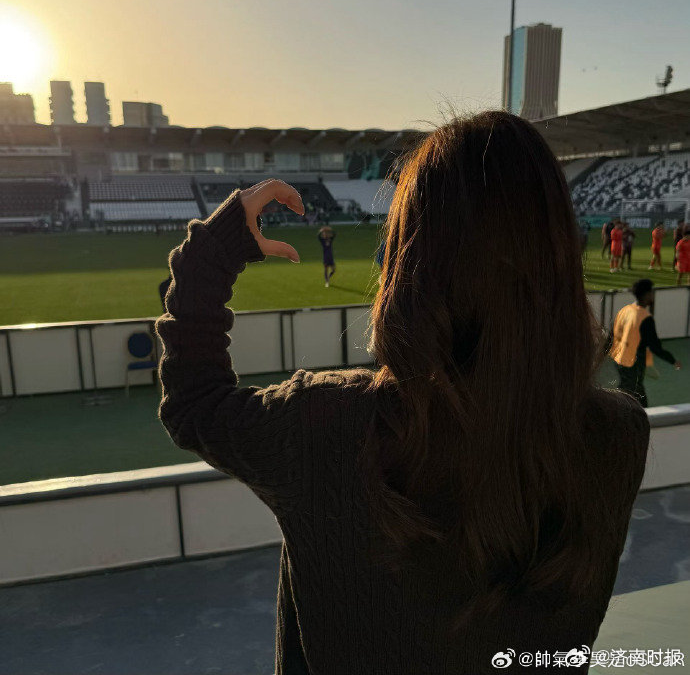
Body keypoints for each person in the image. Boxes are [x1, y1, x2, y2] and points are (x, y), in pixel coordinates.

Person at [155, 114, 651, 673]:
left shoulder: (327, 425)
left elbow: (194, 403)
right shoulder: (620, 436)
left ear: (408, 260)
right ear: (558, 254)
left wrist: (209, 257)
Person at [610, 278, 681, 407]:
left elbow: (612, 333)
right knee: (633, 393)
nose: (653, 295)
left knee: (629, 389)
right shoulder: (645, 318)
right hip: (632, 362)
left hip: (619, 359)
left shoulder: (625, 310)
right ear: (647, 294)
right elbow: (655, 347)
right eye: (651, 292)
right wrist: (673, 360)